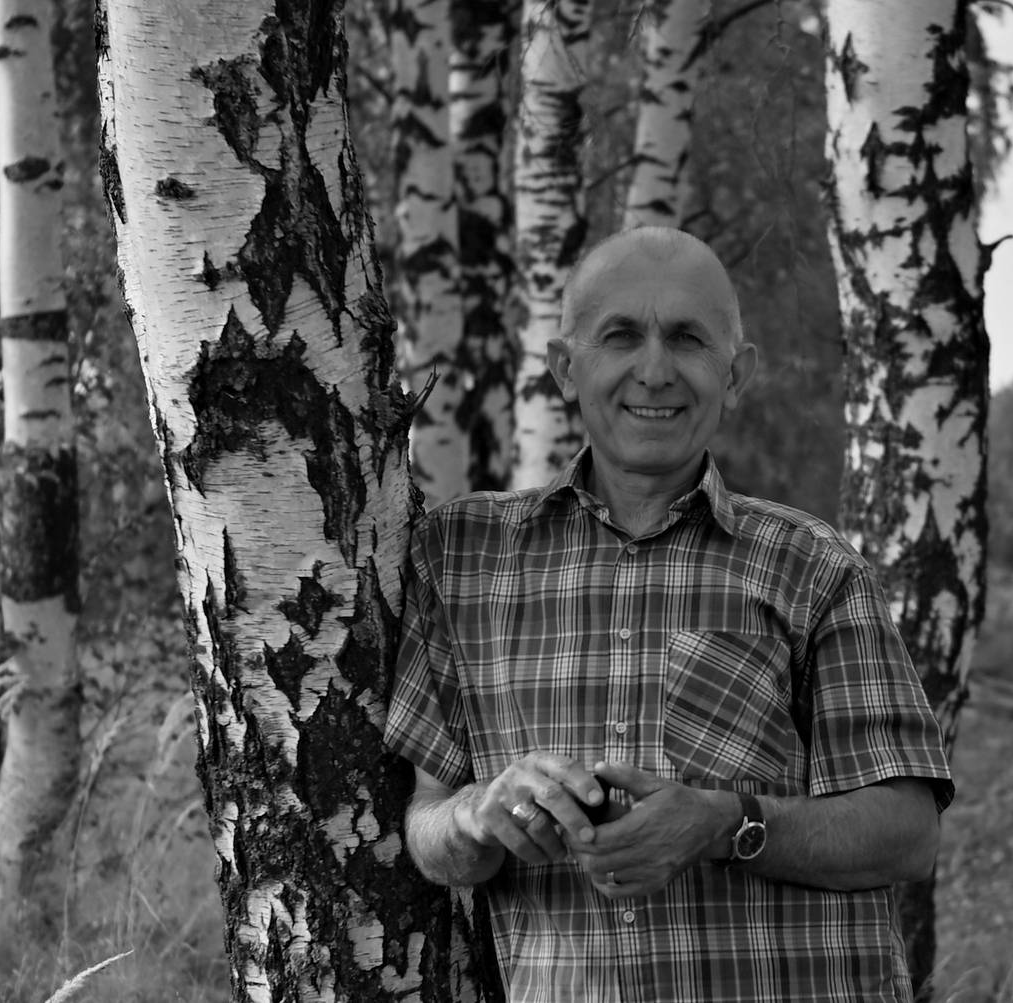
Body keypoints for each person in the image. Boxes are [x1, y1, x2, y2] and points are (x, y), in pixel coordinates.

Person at [382, 226, 954, 1002]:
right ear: (565, 368)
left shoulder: (813, 565)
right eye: (621, 336)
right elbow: (427, 823)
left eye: (687, 338)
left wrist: (725, 824)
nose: (655, 371)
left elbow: (908, 831)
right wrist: (480, 818)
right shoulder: (462, 557)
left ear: (735, 375)